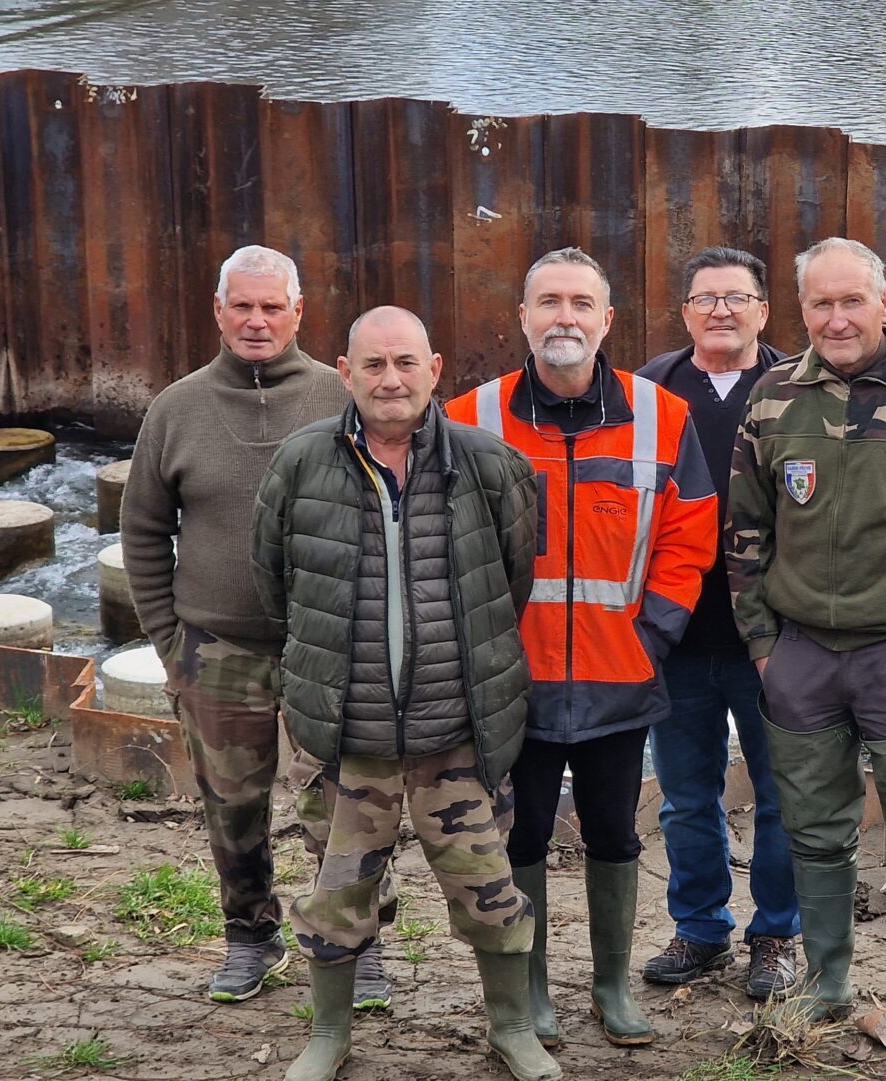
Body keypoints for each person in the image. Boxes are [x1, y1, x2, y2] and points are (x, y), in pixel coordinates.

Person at [251, 305, 553, 1081]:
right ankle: (328, 1034)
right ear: (345, 373)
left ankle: (512, 1027)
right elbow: (275, 585)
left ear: (434, 367)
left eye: (405, 363)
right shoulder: (300, 462)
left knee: (492, 893)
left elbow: (509, 582)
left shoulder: (490, 464)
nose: (391, 379)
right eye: (374, 365)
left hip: (457, 732)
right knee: (335, 900)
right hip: (349, 740)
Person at [726, 236, 886, 1058]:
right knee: (814, 829)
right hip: (800, 657)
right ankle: (830, 981)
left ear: (884, 301)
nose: (836, 318)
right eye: (819, 304)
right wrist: (765, 645)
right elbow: (743, 534)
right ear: (800, 311)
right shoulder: (772, 398)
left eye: (851, 301)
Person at [447, 247, 718, 1049]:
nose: (564, 317)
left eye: (580, 304)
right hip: (512, 683)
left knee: (615, 834)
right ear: (522, 318)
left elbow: (690, 532)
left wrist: (655, 631)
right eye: (548, 302)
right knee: (521, 836)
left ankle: (609, 987)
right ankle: (529, 994)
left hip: (619, 676)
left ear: (607, 321)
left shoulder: (662, 414)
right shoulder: (470, 419)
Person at [120, 244, 389, 1005]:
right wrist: (170, 644)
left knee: (343, 807)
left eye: (273, 307)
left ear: (300, 313)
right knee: (232, 809)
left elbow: (386, 515)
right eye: (243, 305)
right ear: (218, 311)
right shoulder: (176, 408)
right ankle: (251, 935)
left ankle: (357, 942)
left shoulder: (344, 399)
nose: (257, 320)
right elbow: (142, 529)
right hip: (216, 649)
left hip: (326, 647)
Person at [638, 247, 800, 998]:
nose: (722, 310)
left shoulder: (800, 388)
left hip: (772, 638)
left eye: (738, 297)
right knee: (684, 793)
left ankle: (776, 935)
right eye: (706, 298)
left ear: (764, 311)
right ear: (686, 312)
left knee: (781, 792)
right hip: (674, 633)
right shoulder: (648, 391)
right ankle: (701, 930)